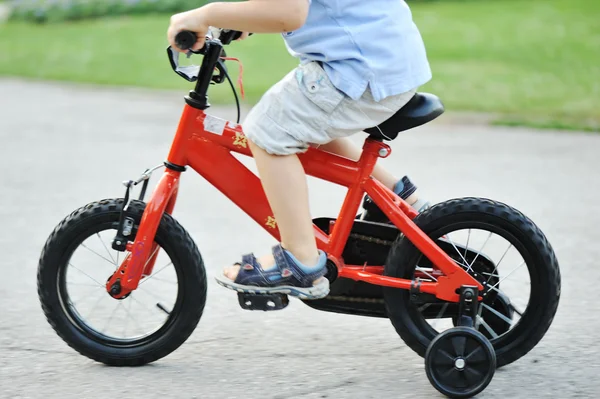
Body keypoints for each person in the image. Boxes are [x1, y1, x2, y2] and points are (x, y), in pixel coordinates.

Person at [167, 0, 432, 299]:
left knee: (268, 132)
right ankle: (397, 199)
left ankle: (300, 260)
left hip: (360, 68)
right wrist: (241, 16)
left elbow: (288, 13)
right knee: (298, 123)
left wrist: (206, 14)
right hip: (381, 60)